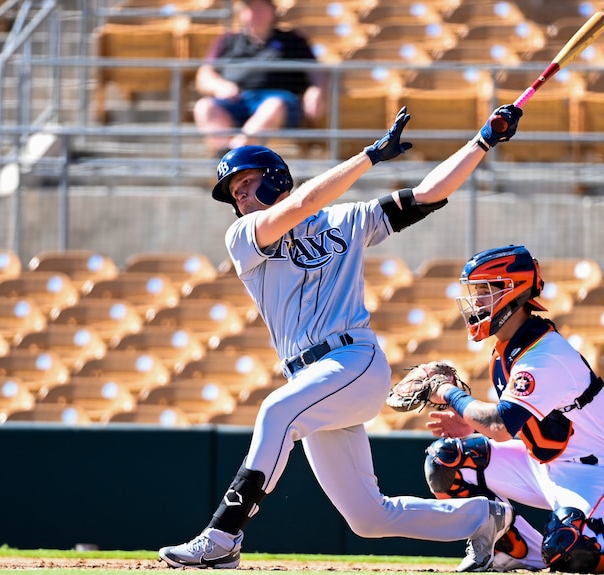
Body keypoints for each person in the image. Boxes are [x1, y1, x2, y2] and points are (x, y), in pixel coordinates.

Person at [159, 102, 527, 570]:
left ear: (275, 178)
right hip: (312, 378)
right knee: (368, 517)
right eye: (236, 192)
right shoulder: (243, 237)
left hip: (353, 361)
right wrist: (369, 156)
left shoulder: (346, 220)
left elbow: (429, 194)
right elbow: (303, 205)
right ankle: (484, 516)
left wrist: (484, 140)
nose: (243, 198)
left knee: (277, 410)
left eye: (249, 184)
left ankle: (223, 533)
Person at [419, 245, 604, 574]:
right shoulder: (507, 349)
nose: (475, 302)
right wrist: (473, 426)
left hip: (596, 471)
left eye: (484, 291)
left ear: (511, 291)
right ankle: (511, 548)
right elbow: (520, 425)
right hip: (541, 462)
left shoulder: (543, 355)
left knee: (568, 550)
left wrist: (448, 393)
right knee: (444, 462)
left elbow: (500, 425)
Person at [193, 0, 326, 155]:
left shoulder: (292, 40)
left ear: (272, 11)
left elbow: (317, 72)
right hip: (237, 100)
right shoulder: (227, 41)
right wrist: (220, 86)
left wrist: (317, 90)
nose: (256, 13)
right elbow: (205, 74)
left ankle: (233, 155)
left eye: (261, 7)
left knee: (272, 105)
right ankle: (232, 157)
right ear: (241, 13)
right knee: (205, 107)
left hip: (280, 102)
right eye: (251, 8)